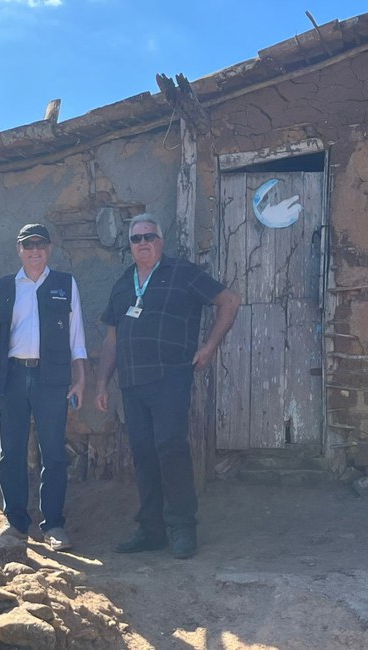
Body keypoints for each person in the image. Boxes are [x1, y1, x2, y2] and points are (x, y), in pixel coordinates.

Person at [94, 214, 241, 559]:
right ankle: (151, 530)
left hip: (170, 376)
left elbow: (229, 301)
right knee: (143, 455)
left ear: (160, 242)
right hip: (132, 383)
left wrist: (210, 345)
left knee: (170, 447)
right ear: (130, 246)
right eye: (136, 239)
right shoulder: (121, 284)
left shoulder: (182, 272)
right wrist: (102, 382)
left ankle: (182, 528)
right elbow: (112, 338)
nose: (143, 243)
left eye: (149, 236)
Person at [0, 224, 87, 552]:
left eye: (40, 245)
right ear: (19, 249)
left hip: (50, 379)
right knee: (10, 452)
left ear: (49, 249)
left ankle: (53, 525)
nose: (34, 251)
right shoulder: (5, 287)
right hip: (12, 377)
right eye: (28, 245)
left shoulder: (65, 285)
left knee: (52, 451)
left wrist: (80, 378)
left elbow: (76, 338)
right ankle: (16, 523)